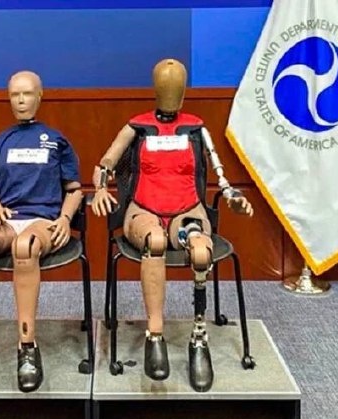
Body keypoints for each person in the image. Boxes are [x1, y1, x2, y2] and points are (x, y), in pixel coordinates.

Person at [91, 59, 253, 392]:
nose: (170, 94)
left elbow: (220, 173)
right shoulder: (137, 127)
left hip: (186, 210)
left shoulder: (196, 129)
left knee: (200, 249)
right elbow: (105, 162)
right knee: (154, 241)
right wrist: (102, 187)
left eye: (175, 88)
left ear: (183, 93)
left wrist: (233, 196)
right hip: (144, 210)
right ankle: (155, 334)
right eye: (165, 88)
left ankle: (199, 338)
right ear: (156, 90)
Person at [0, 70, 82, 393]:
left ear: (40, 96)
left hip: (42, 222)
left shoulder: (55, 140)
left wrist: (65, 219)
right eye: (15, 95)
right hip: (8, 220)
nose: (21, 101)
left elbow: (74, 189)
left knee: (25, 246)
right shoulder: (1, 142)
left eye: (27, 94)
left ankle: (27, 344)